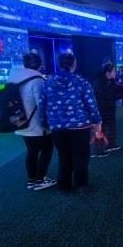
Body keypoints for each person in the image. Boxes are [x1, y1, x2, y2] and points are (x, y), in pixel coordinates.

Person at [39, 53, 101, 192]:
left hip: (57, 127)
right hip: (80, 126)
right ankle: (81, 185)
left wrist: (43, 123)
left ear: (59, 64)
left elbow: (42, 104)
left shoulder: (47, 82)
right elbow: (91, 103)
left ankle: (64, 185)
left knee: (63, 155)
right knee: (81, 156)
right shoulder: (81, 81)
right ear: (74, 64)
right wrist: (97, 121)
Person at [8, 53, 55, 190]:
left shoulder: (13, 78)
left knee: (32, 151)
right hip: (36, 124)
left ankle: (32, 180)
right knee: (47, 149)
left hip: (21, 122)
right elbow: (42, 104)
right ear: (39, 65)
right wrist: (47, 124)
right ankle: (40, 180)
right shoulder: (37, 80)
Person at [93, 62, 123, 156]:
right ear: (107, 73)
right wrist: (122, 95)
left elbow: (118, 87)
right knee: (101, 129)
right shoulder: (100, 82)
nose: (115, 73)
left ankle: (111, 145)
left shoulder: (111, 80)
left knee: (112, 127)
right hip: (101, 109)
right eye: (114, 71)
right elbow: (107, 96)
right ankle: (99, 151)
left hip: (110, 108)